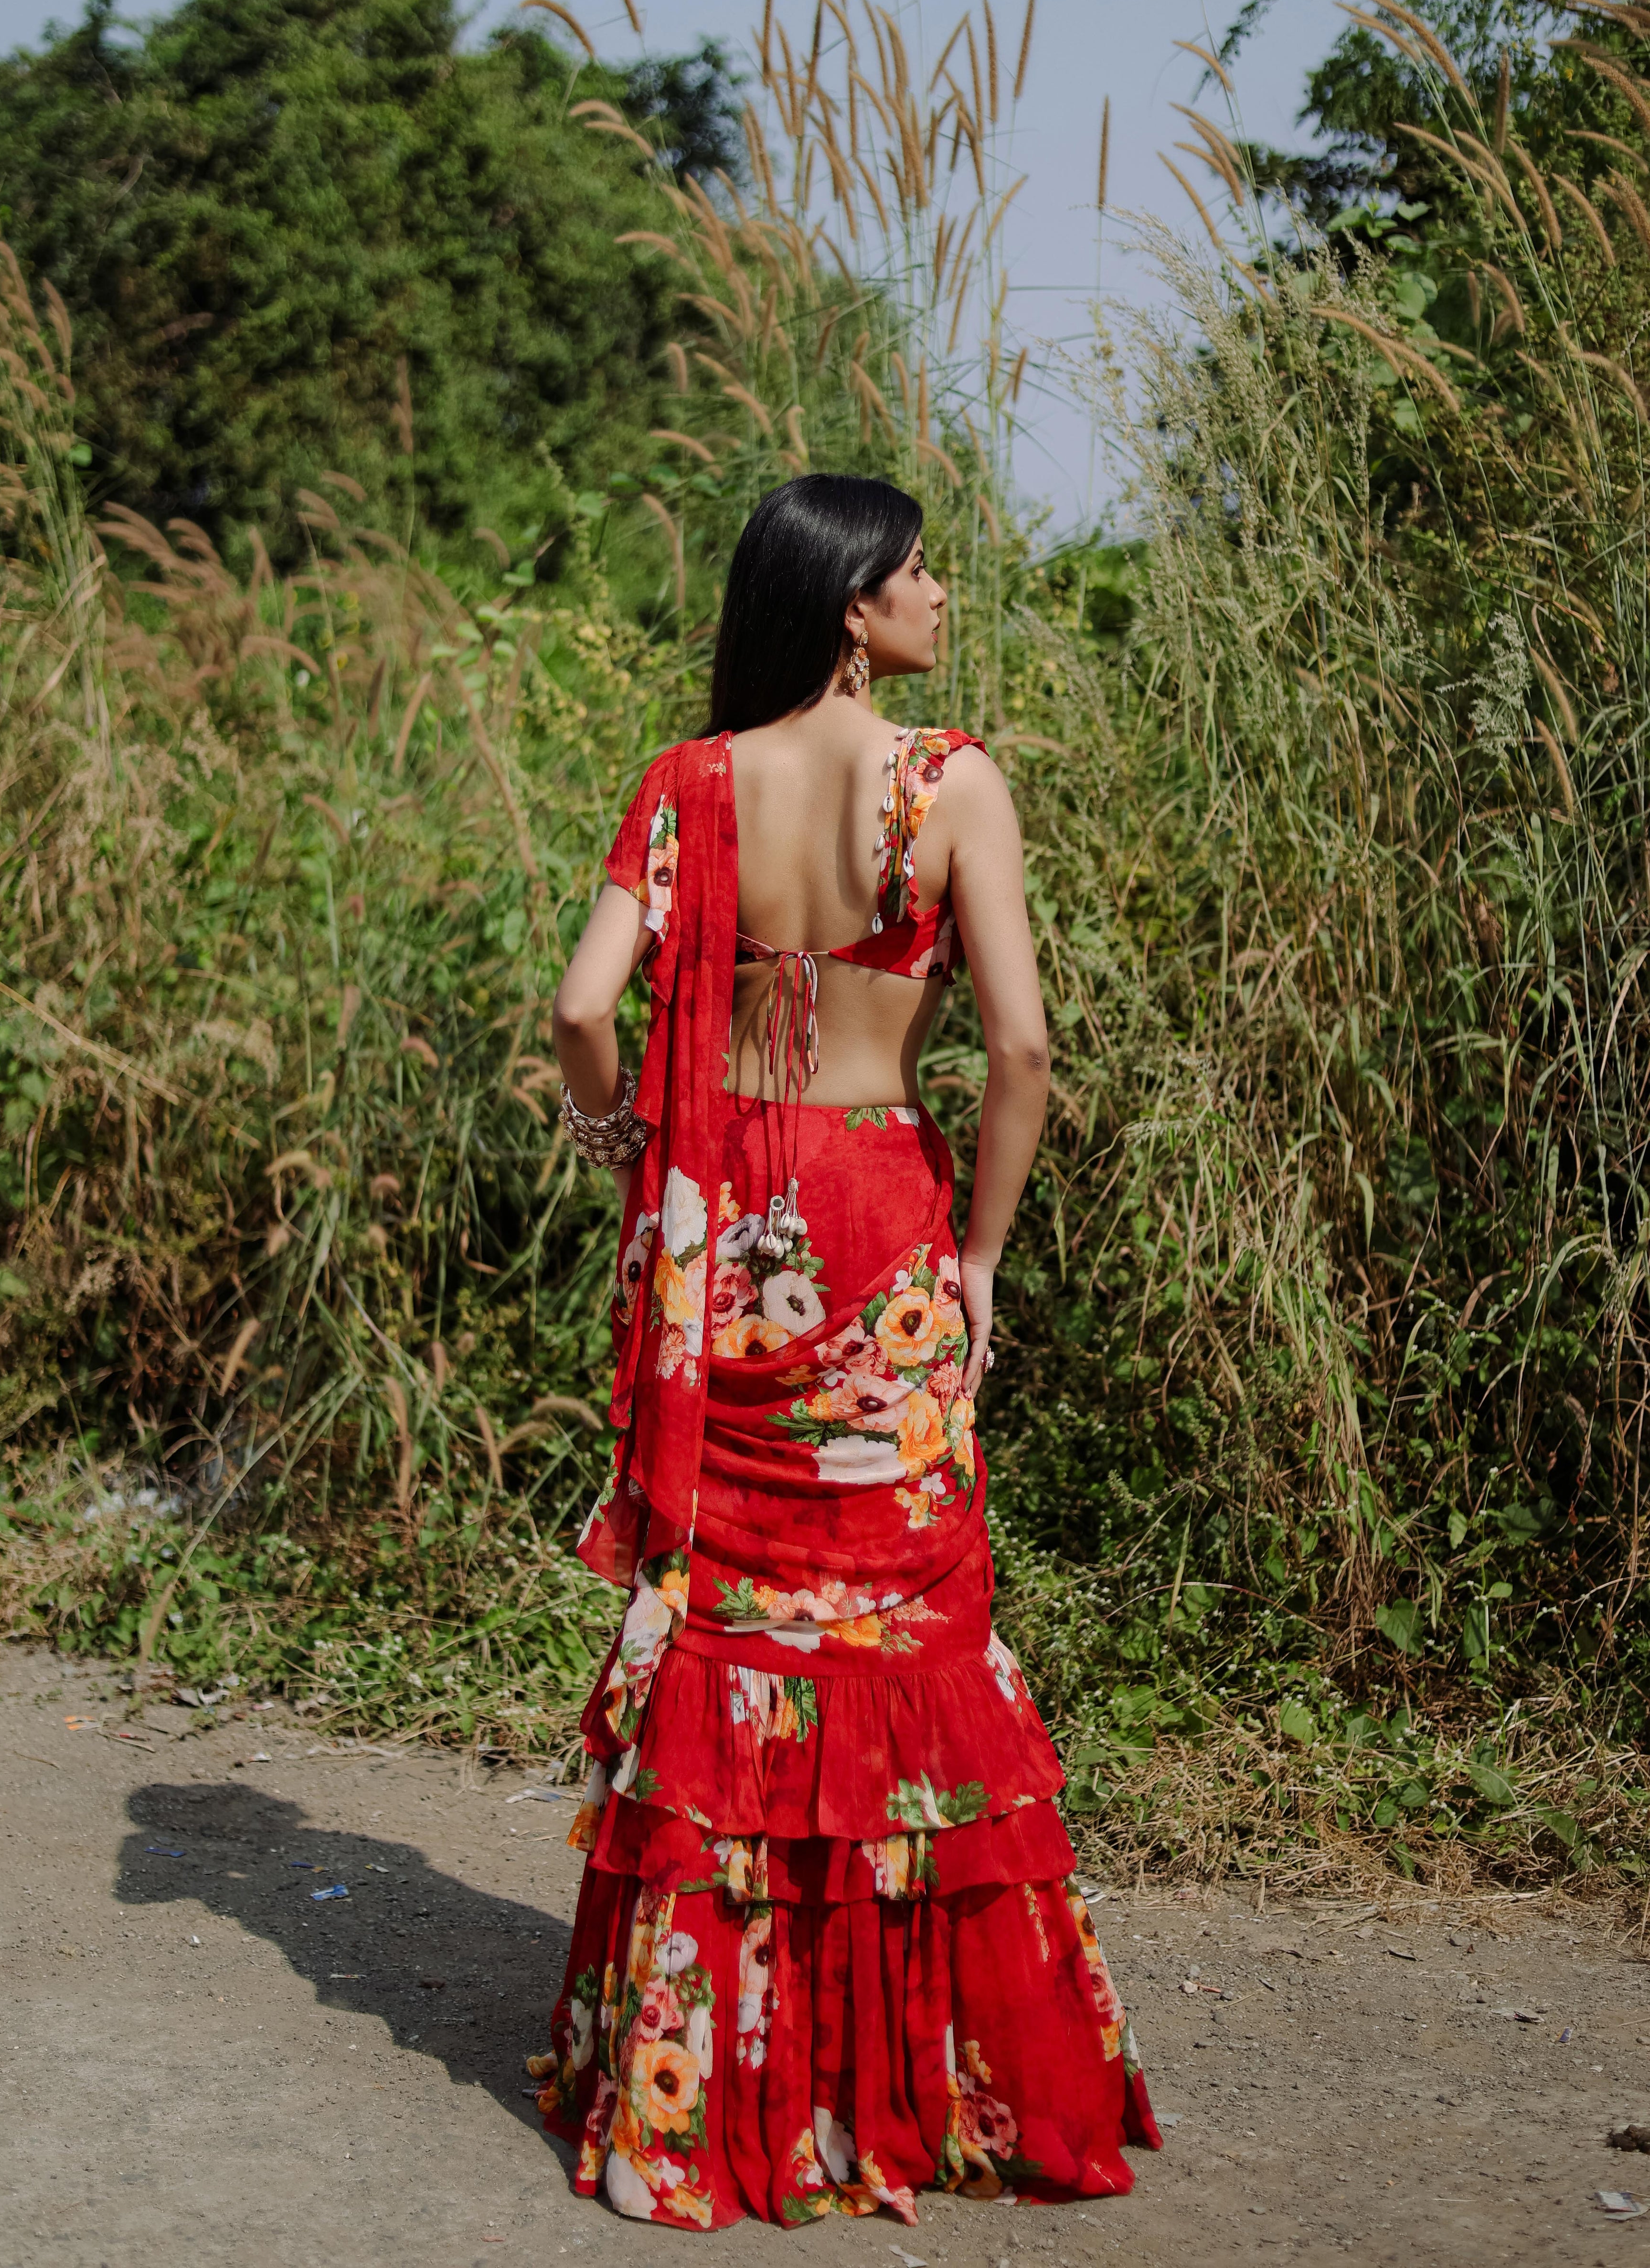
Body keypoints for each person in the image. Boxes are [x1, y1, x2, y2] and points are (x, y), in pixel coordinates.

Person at [530, 473, 1158, 2231]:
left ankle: (715, 2079)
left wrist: (625, 1151)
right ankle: (917, 2081)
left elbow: (585, 1012)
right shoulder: (948, 781)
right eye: (914, 571)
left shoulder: (688, 785)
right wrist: (977, 1257)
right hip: (878, 1224)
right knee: (908, 1631)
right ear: (848, 602)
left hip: (726, 1233)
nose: (942, 592)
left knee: (730, 1624)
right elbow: (1019, 1051)